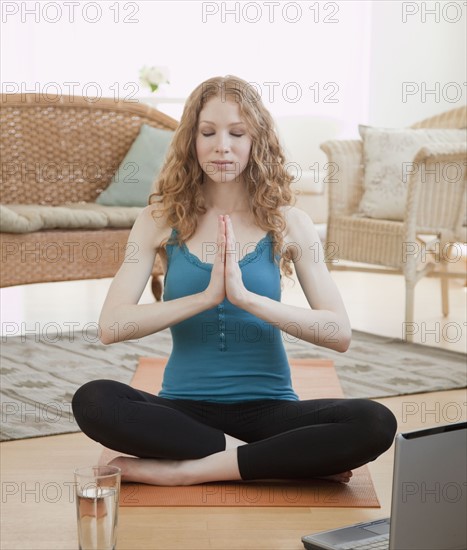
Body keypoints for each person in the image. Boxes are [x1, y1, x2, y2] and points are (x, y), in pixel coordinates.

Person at [72, 75, 397, 486]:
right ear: (191, 140)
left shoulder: (290, 223)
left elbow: (339, 332)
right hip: (183, 414)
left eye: (236, 133)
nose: (221, 146)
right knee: (95, 401)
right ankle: (279, 462)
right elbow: (111, 325)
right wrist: (206, 297)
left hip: (271, 412)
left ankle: (187, 472)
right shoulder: (158, 220)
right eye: (207, 132)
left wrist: (247, 299)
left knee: (374, 421)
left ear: (255, 140)